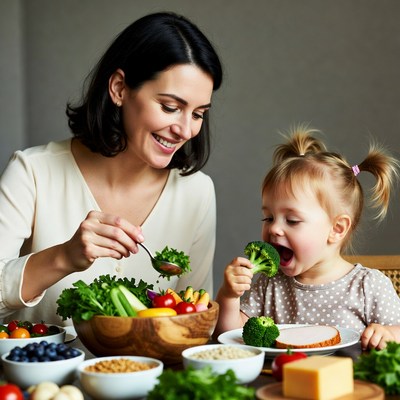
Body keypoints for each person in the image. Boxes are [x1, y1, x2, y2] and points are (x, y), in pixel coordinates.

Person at [0, 12, 223, 325]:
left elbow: (195, 320)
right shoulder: (32, 173)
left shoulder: (196, 192)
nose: (186, 130)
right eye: (171, 107)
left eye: (198, 114)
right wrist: (64, 257)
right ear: (119, 88)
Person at [215, 126, 400, 350]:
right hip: (281, 381)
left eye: (292, 220)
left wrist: (389, 334)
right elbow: (232, 338)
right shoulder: (270, 284)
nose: (274, 229)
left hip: (347, 383)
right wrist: (228, 296)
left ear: (337, 229)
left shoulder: (367, 286)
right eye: (269, 218)